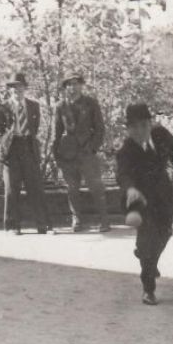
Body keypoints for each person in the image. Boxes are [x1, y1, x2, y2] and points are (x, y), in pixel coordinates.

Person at [115, 103, 173, 305]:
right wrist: (130, 188)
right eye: (133, 127)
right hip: (139, 199)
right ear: (128, 129)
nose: (139, 131)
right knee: (148, 238)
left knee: (165, 232)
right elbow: (122, 174)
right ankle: (148, 289)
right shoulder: (126, 150)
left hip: (162, 194)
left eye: (142, 125)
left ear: (150, 124)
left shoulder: (161, 135)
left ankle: (147, 257)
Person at [52, 73, 109, 233]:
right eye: (69, 84)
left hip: (87, 152)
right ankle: (77, 220)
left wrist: (92, 148)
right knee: (72, 188)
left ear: (81, 85)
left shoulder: (90, 103)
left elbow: (100, 129)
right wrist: (56, 154)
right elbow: (56, 132)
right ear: (65, 88)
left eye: (76, 83)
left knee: (96, 187)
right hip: (68, 154)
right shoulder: (61, 106)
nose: (73, 87)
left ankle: (104, 220)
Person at [0, 72, 51, 235]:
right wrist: (8, 141)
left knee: (35, 186)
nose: (16, 90)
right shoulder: (3, 106)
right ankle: (13, 226)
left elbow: (35, 127)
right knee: (12, 189)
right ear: (9, 89)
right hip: (12, 149)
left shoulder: (33, 105)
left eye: (19, 86)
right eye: (13, 87)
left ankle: (42, 224)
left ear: (24, 88)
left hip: (28, 146)